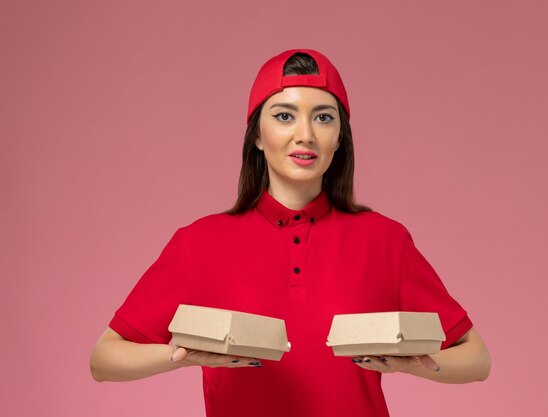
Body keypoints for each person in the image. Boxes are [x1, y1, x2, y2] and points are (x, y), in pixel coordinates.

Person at [90, 49, 491, 417]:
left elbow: (476, 359)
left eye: (323, 117)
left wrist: (420, 365)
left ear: (340, 139)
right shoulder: (200, 243)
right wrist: (181, 354)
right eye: (284, 116)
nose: (306, 134)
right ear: (258, 137)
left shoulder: (385, 241)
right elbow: (105, 359)